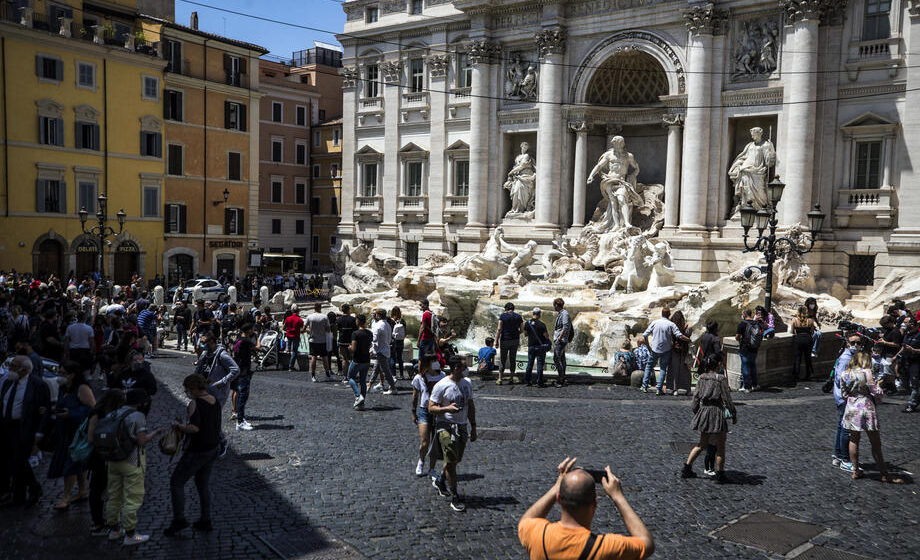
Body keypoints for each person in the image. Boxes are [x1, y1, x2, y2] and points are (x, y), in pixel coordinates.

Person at [518, 457, 654, 560]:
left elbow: (527, 519)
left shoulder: (537, 535)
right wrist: (618, 497)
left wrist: (557, 486)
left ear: (559, 499)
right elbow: (646, 543)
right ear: (595, 504)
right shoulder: (605, 547)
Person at [103, 388, 162, 545]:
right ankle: (130, 534)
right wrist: (155, 433)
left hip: (112, 461)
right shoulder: (137, 416)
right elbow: (141, 441)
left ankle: (114, 530)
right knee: (132, 498)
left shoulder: (112, 414)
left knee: (114, 496)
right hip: (131, 461)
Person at [165, 374, 222, 536]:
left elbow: (194, 428)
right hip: (213, 447)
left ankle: (179, 520)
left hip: (198, 450)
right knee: (202, 484)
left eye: (188, 389)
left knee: (176, 482)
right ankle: (206, 519)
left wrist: (179, 426)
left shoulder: (194, 403)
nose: (187, 392)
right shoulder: (214, 400)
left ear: (195, 389)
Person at [839, 350, 904, 483]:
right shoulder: (867, 372)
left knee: (854, 439)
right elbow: (876, 392)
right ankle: (884, 474)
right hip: (866, 406)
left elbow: (844, 394)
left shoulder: (844, 374)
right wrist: (878, 386)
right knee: (875, 442)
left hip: (851, 407)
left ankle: (856, 471)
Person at [429, 355, 477, 512]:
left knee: (455, 461)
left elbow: (470, 405)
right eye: (464, 367)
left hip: (462, 426)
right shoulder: (441, 385)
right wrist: (446, 409)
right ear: (456, 368)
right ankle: (454, 495)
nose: (466, 369)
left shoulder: (467, 383)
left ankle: (441, 480)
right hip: (446, 426)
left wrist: (474, 427)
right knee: (450, 461)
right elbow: (431, 408)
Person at [0, 356, 50, 506]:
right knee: (7, 460)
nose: (11, 369)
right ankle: (14, 492)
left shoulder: (37, 385)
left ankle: (31, 489)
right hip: (6, 425)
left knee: (19, 460)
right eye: (11, 366)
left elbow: (44, 411)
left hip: (23, 427)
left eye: (14, 366)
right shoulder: (8, 382)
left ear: (25, 369)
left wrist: (39, 433)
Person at [47, 360, 95, 510]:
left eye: (62, 373)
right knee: (77, 463)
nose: (59, 375)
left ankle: (65, 497)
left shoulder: (82, 388)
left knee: (71, 464)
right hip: (64, 431)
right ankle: (82, 491)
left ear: (72, 375)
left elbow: (93, 409)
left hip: (77, 433)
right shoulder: (63, 388)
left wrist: (72, 414)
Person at [681, 355, 737, 483]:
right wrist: (733, 414)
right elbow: (727, 399)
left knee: (702, 444)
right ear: (718, 364)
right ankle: (720, 474)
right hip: (716, 412)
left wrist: (697, 412)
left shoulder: (701, 378)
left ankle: (687, 468)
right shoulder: (721, 379)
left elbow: (695, 398)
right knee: (721, 445)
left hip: (704, 412)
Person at [194, 330, 240, 458]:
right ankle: (208, 443)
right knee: (203, 418)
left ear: (212, 342)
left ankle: (222, 442)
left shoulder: (222, 355)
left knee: (212, 419)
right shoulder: (206, 353)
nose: (202, 345)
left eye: (204, 342)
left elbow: (235, 370)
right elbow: (200, 368)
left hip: (217, 393)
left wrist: (222, 382)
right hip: (204, 390)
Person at [86, 390, 125, 536]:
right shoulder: (116, 414)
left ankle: (98, 523)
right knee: (110, 490)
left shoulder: (96, 412)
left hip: (99, 455)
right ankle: (110, 523)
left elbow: (90, 438)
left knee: (96, 489)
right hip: (111, 455)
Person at [410, 355, 445, 478]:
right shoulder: (419, 378)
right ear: (427, 363)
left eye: (436, 360)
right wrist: (413, 412)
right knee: (425, 441)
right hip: (424, 411)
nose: (436, 362)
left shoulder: (442, 376)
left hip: (438, 411)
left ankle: (432, 469)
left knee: (435, 443)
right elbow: (415, 396)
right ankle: (421, 460)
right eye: (433, 361)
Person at [696, 321, 724, 476]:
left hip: (704, 363)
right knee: (715, 440)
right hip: (712, 364)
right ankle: (711, 466)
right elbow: (717, 352)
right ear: (716, 328)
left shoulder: (705, 337)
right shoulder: (714, 339)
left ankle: (688, 466)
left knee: (702, 442)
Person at [641, 307, 688, 395]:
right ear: (669, 314)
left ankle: (644, 386)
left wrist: (648, 347)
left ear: (661, 313)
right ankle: (659, 388)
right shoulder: (671, 324)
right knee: (663, 369)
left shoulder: (655, 322)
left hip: (654, 349)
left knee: (649, 366)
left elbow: (645, 335)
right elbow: (679, 336)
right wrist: (688, 339)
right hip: (666, 350)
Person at [832, 334, 860, 472]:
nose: (856, 345)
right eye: (853, 342)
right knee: (845, 429)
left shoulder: (848, 357)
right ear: (848, 343)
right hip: (845, 398)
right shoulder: (846, 359)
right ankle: (845, 459)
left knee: (840, 426)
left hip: (842, 397)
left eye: (858, 342)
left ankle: (837, 455)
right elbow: (840, 379)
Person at [231, 323, 257, 431]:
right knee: (243, 397)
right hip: (244, 371)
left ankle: (240, 417)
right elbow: (258, 347)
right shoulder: (246, 341)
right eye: (252, 329)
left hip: (239, 370)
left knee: (240, 395)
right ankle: (240, 422)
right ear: (249, 331)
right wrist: (257, 337)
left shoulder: (238, 339)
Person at [347, 314, 373, 410]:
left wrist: (349, 347)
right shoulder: (370, 333)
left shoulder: (355, 334)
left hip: (357, 360)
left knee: (350, 377)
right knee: (363, 381)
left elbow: (353, 348)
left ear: (358, 321)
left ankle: (358, 396)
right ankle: (361, 404)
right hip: (366, 360)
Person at [370, 308, 398, 394]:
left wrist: (371, 350)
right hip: (386, 349)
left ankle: (393, 388)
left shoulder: (378, 325)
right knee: (376, 369)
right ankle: (369, 385)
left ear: (378, 315)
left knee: (386, 371)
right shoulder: (388, 325)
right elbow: (390, 339)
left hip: (380, 350)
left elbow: (374, 339)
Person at [495, 302, 523, 385]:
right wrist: (516, 333)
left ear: (506, 309)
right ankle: (511, 378)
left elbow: (499, 329)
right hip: (515, 340)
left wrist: (496, 340)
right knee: (512, 358)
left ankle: (500, 378)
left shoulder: (503, 316)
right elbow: (522, 329)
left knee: (503, 359)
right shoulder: (518, 317)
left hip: (505, 339)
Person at [735, 309, 761, 392]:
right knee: (753, 366)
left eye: (742, 314)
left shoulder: (742, 324)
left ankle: (746, 386)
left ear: (744, 314)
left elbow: (737, 337)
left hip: (745, 348)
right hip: (754, 347)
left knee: (745, 366)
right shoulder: (756, 323)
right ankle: (755, 384)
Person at [524, 308, 550, 387]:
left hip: (531, 346)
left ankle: (528, 381)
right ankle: (539, 382)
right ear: (539, 314)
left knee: (530, 364)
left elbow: (525, 334)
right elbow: (547, 336)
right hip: (540, 347)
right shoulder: (542, 324)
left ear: (533, 313)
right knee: (539, 365)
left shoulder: (527, 323)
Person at [789, 305, 816, 383]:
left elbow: (792, 332)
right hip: (808, 339)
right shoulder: (810, 320)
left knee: (797, 358)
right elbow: (812, 332)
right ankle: (808, 374)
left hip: (798, 339)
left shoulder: (794, 320)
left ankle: (796, 375)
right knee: (808, 358)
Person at [669, 310, 692, 395]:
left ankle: (675, 389)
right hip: (684, 350)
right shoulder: (686, 326)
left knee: (675, 370)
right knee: (686, 370)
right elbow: (688, 334)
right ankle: (688, 389)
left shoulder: (672, 327)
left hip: (674, 349)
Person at [553, 298, 573, 388]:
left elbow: (565, 327)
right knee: (562, 359)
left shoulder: (564, 314)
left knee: (556, 359)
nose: (554, 307)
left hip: (561, 340)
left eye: (554, 305)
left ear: (557, 305)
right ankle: (562, 377)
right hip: (561, 339)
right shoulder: (562, 313)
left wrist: (559, 338)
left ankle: (561, 379)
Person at [337, 304, 358, 383]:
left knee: (344, 359)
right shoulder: (353, 319)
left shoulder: (339, 319)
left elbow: (338, 329)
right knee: (353, 359)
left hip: (342, 341)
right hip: (351, 341)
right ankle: (352, 375)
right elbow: (355, 330)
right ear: (349, 310)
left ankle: (345, 376)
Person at [283, 304, 305, 372]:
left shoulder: (288, 318)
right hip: (296, 336)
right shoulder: (300, 320)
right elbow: (302, 329)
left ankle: (285, 365)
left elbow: (283, 328)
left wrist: (288, 330)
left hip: (289, 335)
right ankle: (291, 366)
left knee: (288, 350)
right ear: (298, 312)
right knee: (295, 351)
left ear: (292, 311)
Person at [390, 306, 407, 379]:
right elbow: (405, 332)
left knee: (393, 358)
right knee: (400, 358)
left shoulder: (390, 321)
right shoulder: (402, 321)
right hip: (401, 341)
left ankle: (393, 374)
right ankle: (402, 374)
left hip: (393, 341)